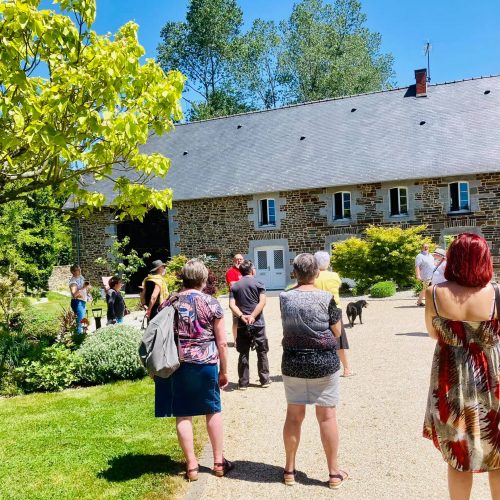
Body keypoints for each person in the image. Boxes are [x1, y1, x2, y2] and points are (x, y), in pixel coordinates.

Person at [423, 233, 500, 500]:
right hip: (491, 376)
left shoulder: (434, 293)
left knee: (458, 453)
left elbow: (434, 335)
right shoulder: (497, 293)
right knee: (497, 451)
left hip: (450, 375)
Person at [155, 259, 232, 481]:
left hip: (177, 364)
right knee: (213, 409)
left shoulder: (170, 301)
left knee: (183, 413)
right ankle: (218, 462)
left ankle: (191, 467)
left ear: (183, 278)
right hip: (206, 364)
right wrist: (224, 371)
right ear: (204, 279)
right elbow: (222, 343)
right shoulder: (212, 303)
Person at [280, 253, 348, 489]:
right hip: (323, 363)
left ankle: (289, 470)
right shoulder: (327, 298)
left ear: (295, 273)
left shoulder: (284, 297)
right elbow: (337, 332)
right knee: (327, 417)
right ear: (317, 273)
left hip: (293, 362)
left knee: (293, 416)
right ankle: (333, 473)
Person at [229, 259, 270, 390]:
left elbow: (231, 305)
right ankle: (264, 380)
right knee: (262, 351)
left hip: (242, 324)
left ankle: (243, 382)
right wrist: (253, 316)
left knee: (243, 352)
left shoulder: (235, 286)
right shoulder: (259, 283)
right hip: (258, 322)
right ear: (252, 270)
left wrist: (242, 316)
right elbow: (262, 302)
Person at [313, 251, 354, 377]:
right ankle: (346, 369)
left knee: (318, 339)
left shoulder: (312, 276)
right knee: (339, 341)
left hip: (317, 309)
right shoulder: (334, 275)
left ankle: (320, 368)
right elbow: (339, 285)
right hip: (335, 309)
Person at [225, 253, 243, 343]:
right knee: (236, 320)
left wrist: (239, 282)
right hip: (235, 298)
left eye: (240, 259)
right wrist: (244, 282)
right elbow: (232, 285)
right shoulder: (230, 271)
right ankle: (236, 340)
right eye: (237, 259)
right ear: (233, 260)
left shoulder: (245, 270)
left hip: (245, 297)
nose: (239, 261)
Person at [68, 264, 90, 334]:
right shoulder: (73, 281)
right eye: (77, 270)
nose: (80, 270)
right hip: (77, 302)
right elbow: (74, 294)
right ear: (73, 272)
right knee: (80, 323)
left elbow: (85, 287)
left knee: (83, 321)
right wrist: (84, 287)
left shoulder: (81, 277)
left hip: (82, 302)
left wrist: (88, 293)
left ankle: (81, 336)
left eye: (79, 269)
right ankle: (78, 339)